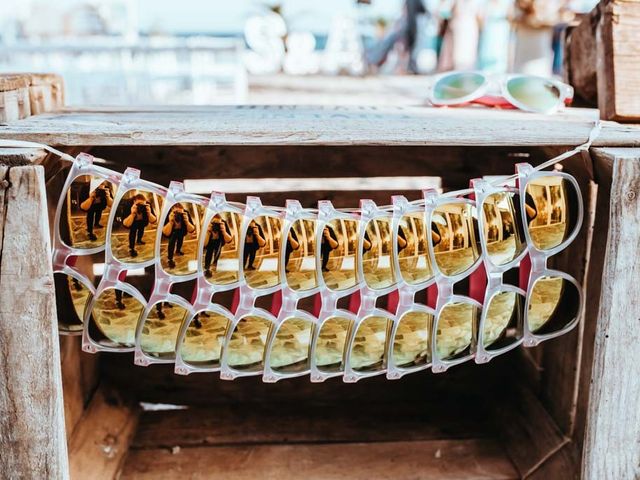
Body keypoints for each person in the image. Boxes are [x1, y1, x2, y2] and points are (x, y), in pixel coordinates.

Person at [122, 194, 157, 258]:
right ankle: (132, 248)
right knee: (133, 233)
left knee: (141, 230)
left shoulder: (147, 205)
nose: (141, 206)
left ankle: (139, 240)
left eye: (143, 204)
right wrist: (132, 213)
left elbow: (154, 221)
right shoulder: (128, 205)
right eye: (139, 204)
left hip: (142, 221)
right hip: (133, 222)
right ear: (134, 201)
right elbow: (125, 224)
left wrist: (149, 213)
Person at [162, 204, 195, 269]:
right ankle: (170, 259)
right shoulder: (169, 214)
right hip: (173, 231)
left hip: (181, 230)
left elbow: (192, 230)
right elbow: (165, 232)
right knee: (171, 243)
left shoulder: (186, 213)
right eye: (176, 213)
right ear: (172, 210)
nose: (178, 215)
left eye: (180, 213)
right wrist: (170, 221)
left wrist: (187, 222)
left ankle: (178, 250)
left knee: (180, 241)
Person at [203, 214, 233, 278]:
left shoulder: (223, 223)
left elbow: (229, 240)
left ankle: (214, 264)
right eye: (214, 223)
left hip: (219, 242)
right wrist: (208, 231)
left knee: (217, 253)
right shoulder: (207, 223)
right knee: (209, 253)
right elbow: (204, 244)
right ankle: (207, 268)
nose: (216, 225)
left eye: (217, 224)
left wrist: (224, 232)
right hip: (209, 243)